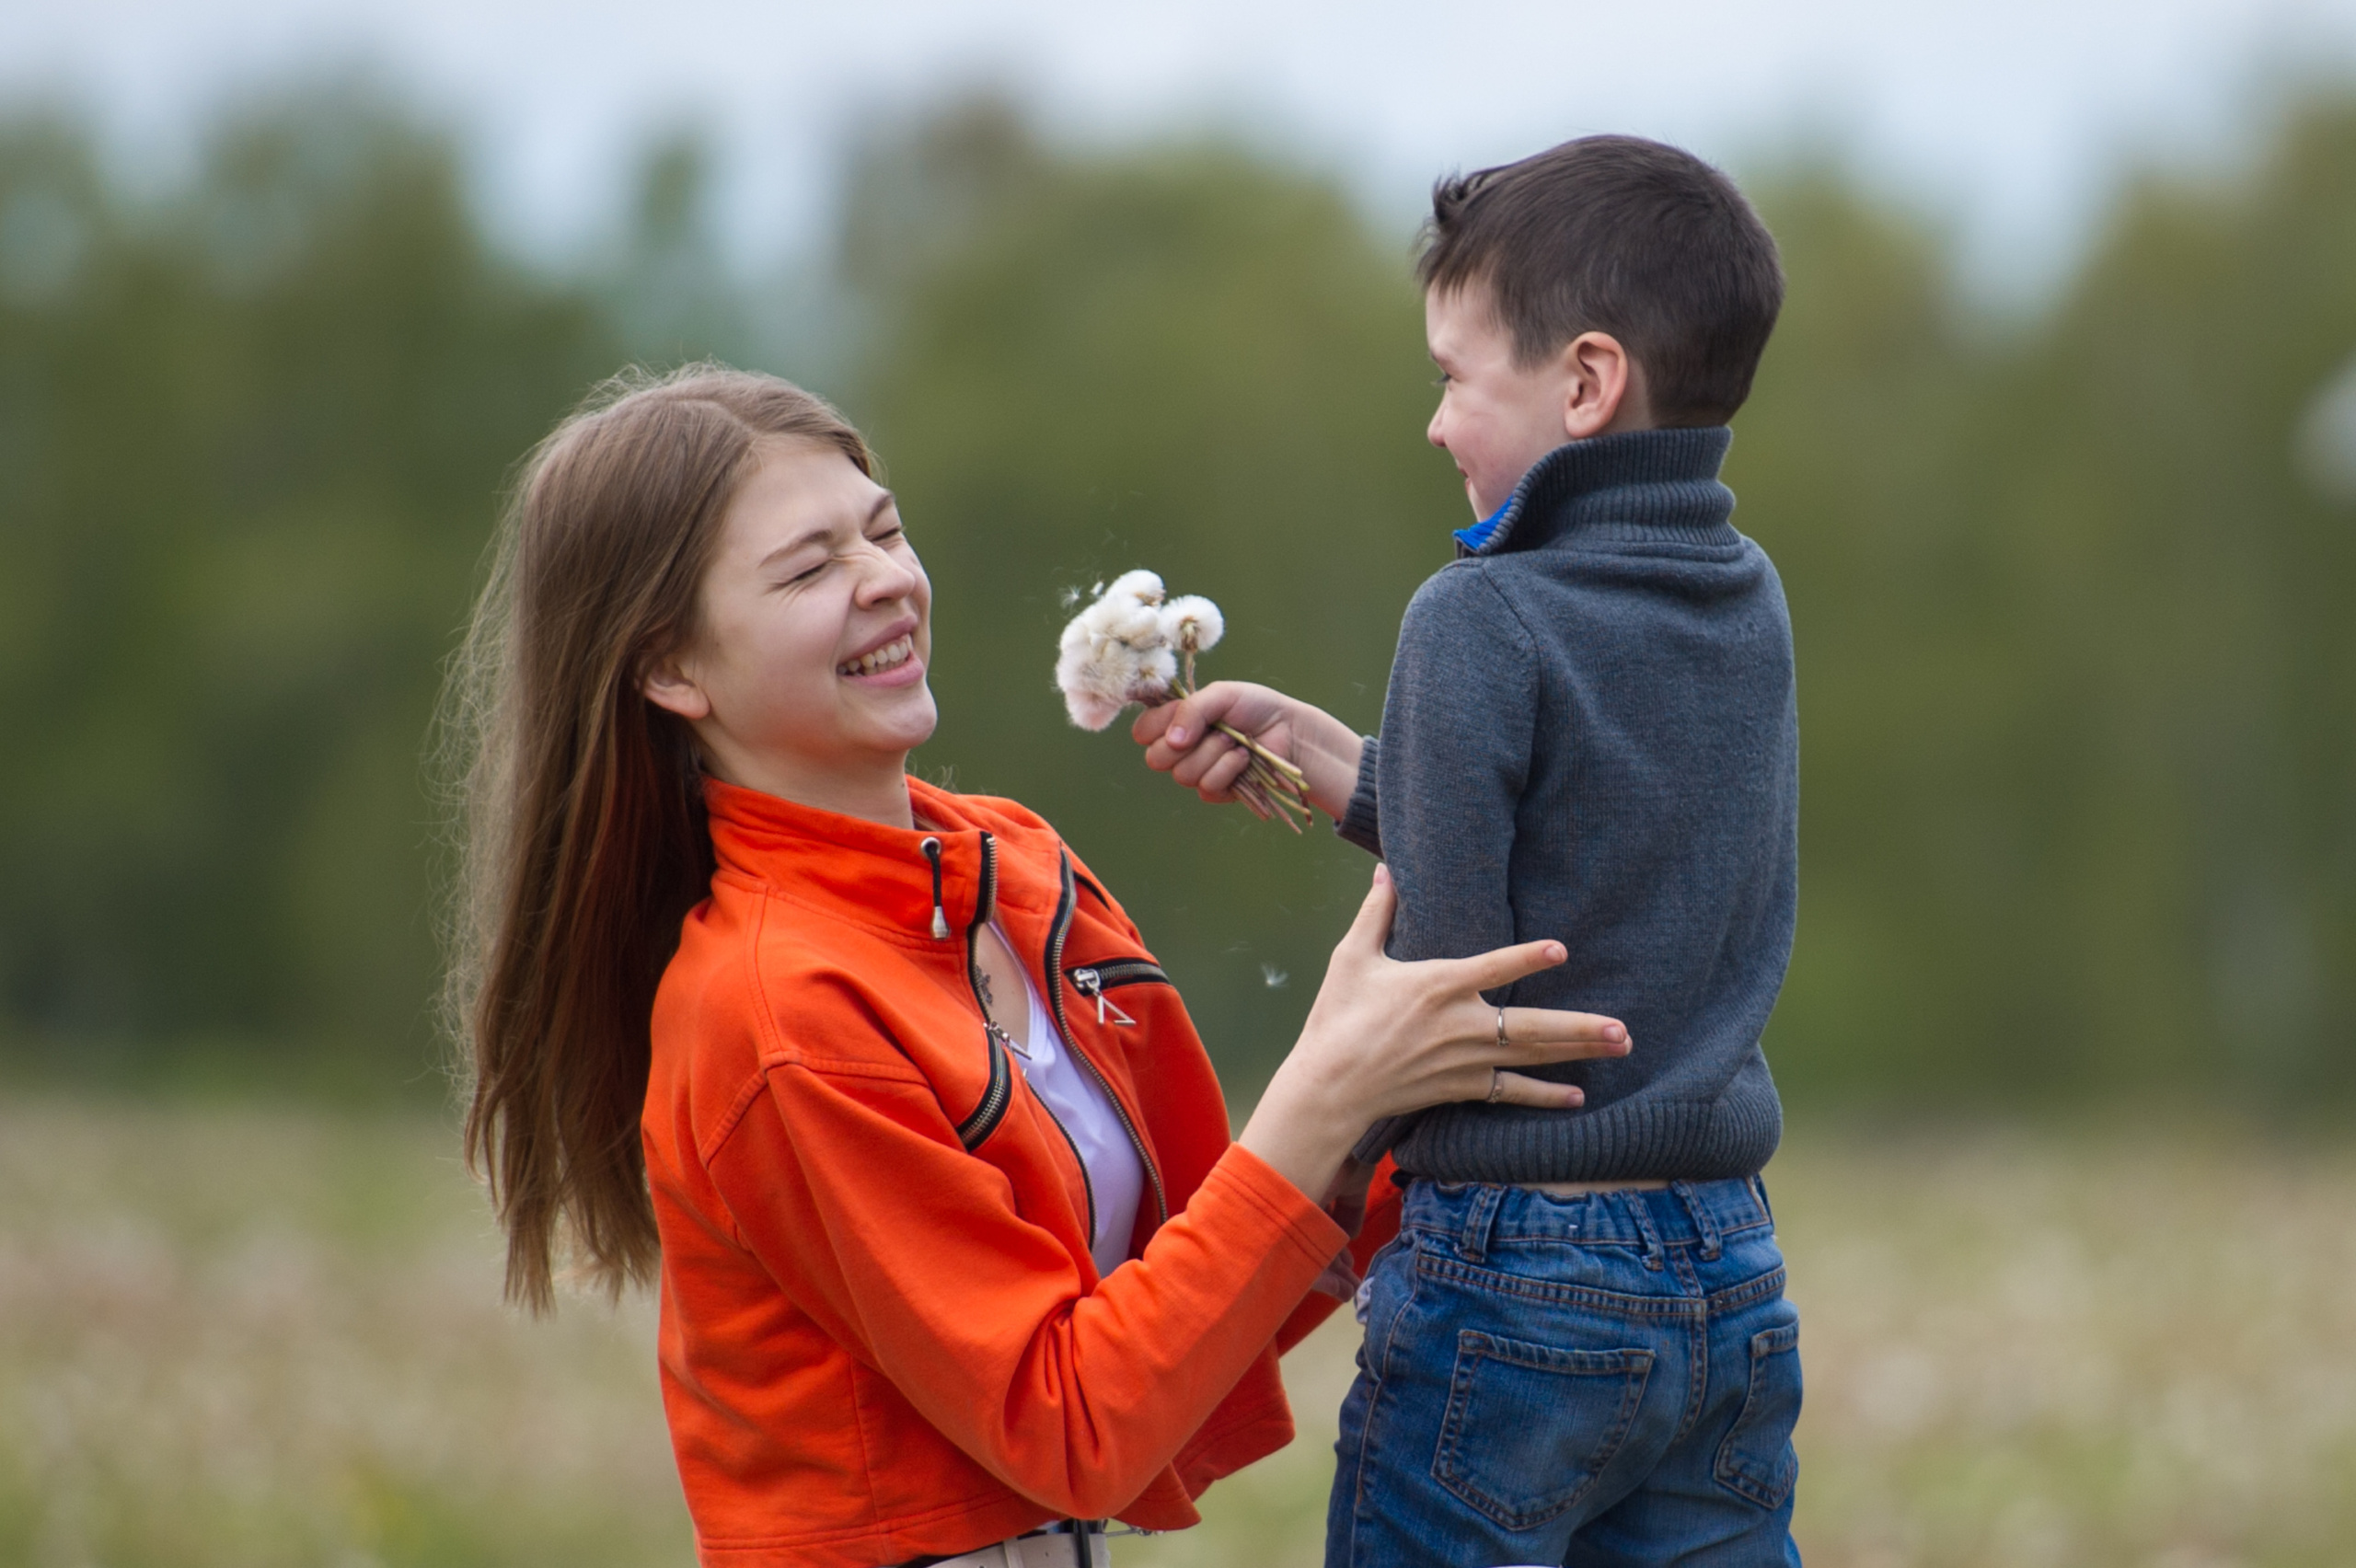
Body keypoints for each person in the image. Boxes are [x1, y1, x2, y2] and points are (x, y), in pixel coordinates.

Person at [441, 365, 1634, 1568]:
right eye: (809, 569)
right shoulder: (774, 1014)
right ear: (671, 669)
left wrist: (1449, 1070)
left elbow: (1204, 1284)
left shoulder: (1016, 866)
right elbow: (1072, 1422)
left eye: (885, 530)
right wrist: (1332, 1089)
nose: (886, 583)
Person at [1132, 135, 1805, 1565]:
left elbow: (1437, 979)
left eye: (1455, 378)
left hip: (1518, 1268)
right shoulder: (1746, 601)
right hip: (1726, 1263)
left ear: (1584, 381)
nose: (1436, 424)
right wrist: (1348, 763)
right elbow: (1606, 857)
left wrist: (1300, 1204)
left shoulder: (1475, 615)